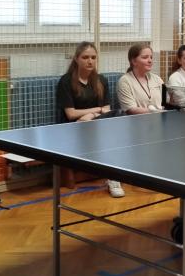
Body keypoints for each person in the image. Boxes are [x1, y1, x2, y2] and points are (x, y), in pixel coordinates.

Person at [55, 42, 124, 198]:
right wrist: (95, 111)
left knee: (119, 115)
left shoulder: (101, 80)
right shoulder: (66, 81)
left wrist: (91, 115)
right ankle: (114, 177)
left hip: (95, 124)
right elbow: (71, 114)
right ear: (76, 59)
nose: (90, 61)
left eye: (93, 57)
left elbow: (106, 109)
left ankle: (114, 177)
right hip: (73, 128)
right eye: (85, 57)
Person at [116, 43, 165, 113]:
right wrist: (157, 112)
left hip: (160, 117)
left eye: (151, 57)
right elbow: (131, 109)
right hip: (139, 119)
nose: (150, 61)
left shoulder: (157, 79)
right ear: (134, 61)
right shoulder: (125, 81)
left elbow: (166, 102)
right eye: (145, 57)